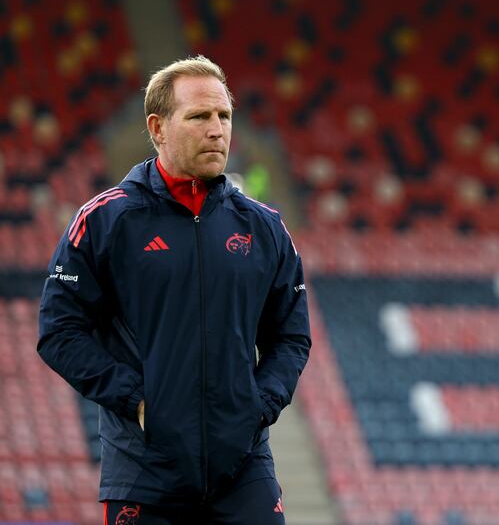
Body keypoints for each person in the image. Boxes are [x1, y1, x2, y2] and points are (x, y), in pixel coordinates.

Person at [37, 56, 311, 524]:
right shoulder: (106, 221)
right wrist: (138, 401)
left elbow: (291, 335)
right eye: (199, 116)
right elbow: (59, 332)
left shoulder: (264, 228)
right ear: (158, 127)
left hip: (243, 472)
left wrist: (259, 405)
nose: (217, 129)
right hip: (145, 473)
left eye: (224, 116)